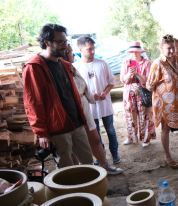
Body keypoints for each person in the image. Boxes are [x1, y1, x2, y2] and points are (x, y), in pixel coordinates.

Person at [23, 23, 93, 168]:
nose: (64, 46)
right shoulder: (34, 67)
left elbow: (73, 95)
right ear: (47, 42)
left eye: (65, 41)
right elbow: (33, 103)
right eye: (60, 42)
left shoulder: (65, 64)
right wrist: (41, 133)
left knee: (88, 163)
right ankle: (70, 191)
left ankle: (91, 190)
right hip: (58, 129)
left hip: (77, 123)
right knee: (65, 168)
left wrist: (83, 120)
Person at [65, 44, 123, 175]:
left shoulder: (102, 63)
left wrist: (103, 93)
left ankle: (113, 154)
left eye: (93, 48)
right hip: (85, 107)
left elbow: (111, 81)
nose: (92, 51)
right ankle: (98, 159)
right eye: (89, 49)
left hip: (100, 103)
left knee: (109, 129)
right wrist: (91, 96)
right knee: (93, 135)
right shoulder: (76, 67)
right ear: (81, 49)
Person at [146, 34, 178, 169]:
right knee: (166, 128)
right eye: (168, 48)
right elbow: (149, 85)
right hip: (164, 103)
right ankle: (167, 155)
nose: (171, 51)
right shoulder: (158, 64)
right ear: (161, 48)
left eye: (173, 48)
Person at [120, 41, 156, 147]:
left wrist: (137, 74)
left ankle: (146, 139)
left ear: (141, 52)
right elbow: (123, 80)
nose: (134, 54)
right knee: (130, 116)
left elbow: (148, 80)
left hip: (143, 93)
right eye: (132, 52)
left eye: (137, 52)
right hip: (129, 94)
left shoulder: (147, 63)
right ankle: (131, 137)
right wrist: (130, 74)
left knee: (145, 116)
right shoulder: (126, 63)